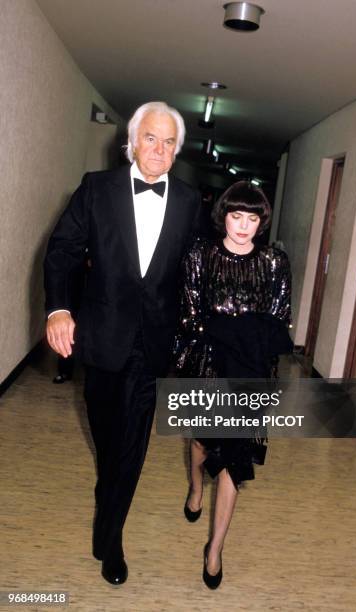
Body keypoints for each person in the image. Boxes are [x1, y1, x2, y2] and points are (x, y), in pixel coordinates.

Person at [44, 101, 200, 585]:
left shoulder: (192, 202)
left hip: (153, 344)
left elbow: (198, 273)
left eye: (169, 142)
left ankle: (110, 538)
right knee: (108, 436)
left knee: (132, 445)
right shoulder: (97, 188)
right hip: (102, 336)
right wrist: (59, 309)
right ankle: (107, 492)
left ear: (178, 150)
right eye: (151, 138)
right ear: (130, 142)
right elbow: (62, 250)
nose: (159, 150)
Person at [174, 181, 292, 589]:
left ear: (262, 222)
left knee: (234, 461)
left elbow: (278, 321)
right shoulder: (199, 255)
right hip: (207, 368)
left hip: (251, 374)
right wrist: (241, 328)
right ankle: (194, 488)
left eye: (253, 218)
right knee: (203, 443)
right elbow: (189, 316)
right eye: (236, 216)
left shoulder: (275, 262)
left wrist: (230, 328)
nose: (243, 226)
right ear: (223, 214)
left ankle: (215, 548)